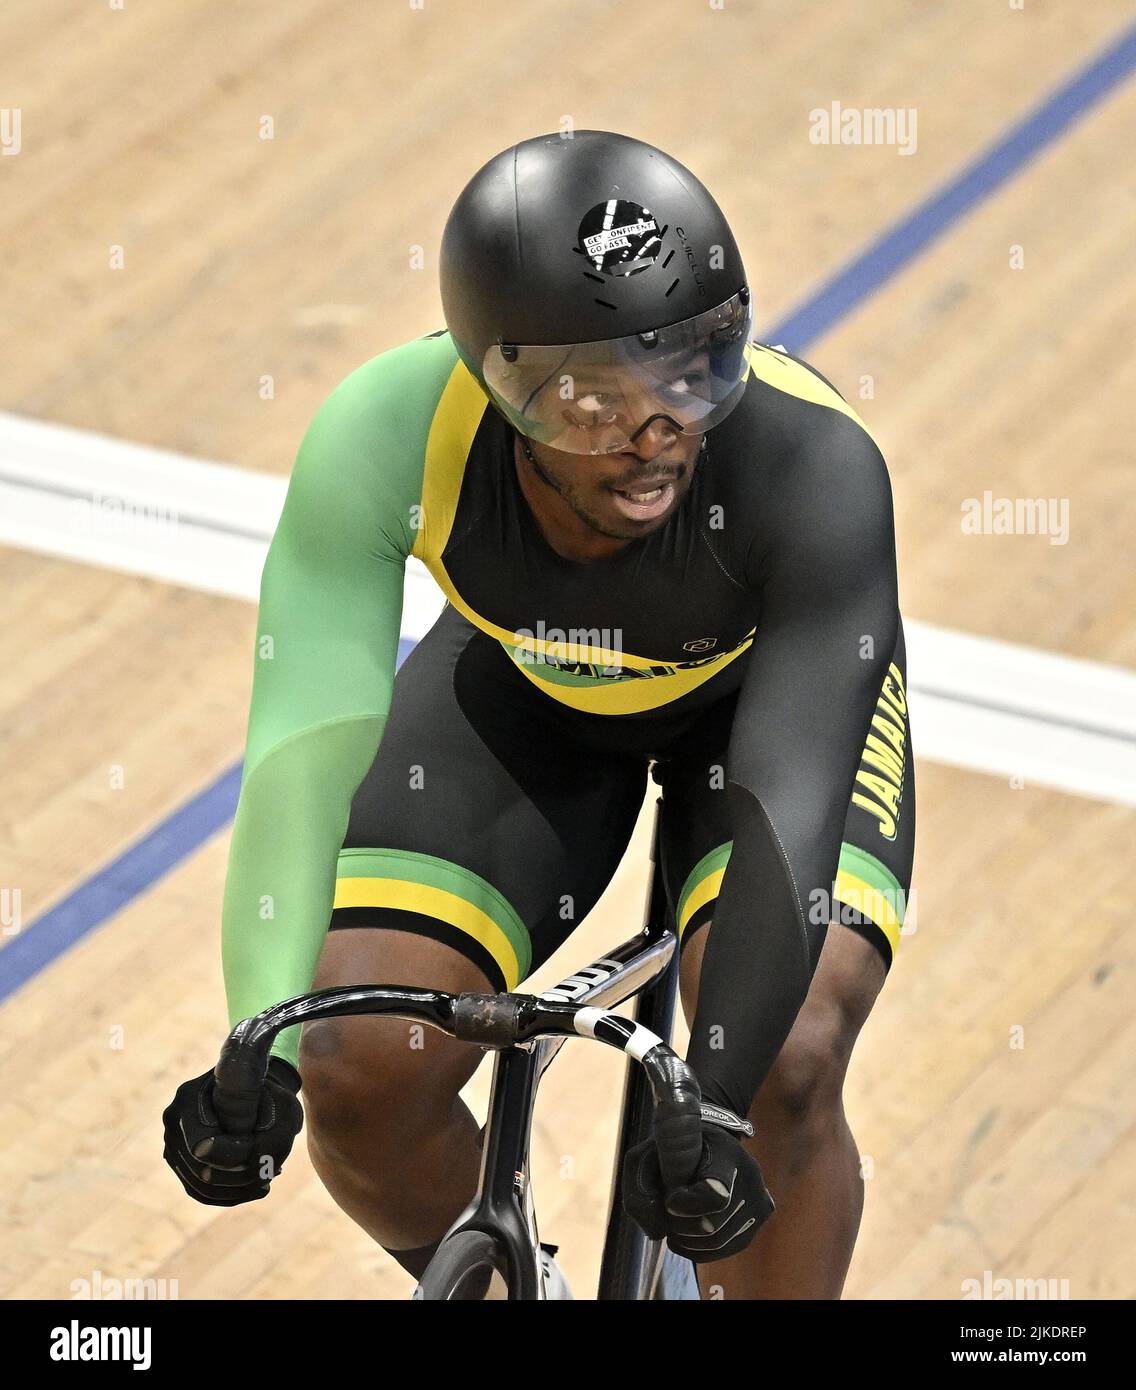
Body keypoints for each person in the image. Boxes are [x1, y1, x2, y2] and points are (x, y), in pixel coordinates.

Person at [163, 130, 915, 1300]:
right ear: (499, 388)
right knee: (353, 1068)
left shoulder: (809, 466)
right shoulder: (387, 432)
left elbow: (790, 794)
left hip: (764, 708)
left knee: (788, 1067)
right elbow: (301, 755)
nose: (657, 430)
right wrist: (254, 1030)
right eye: (596, 401)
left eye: (693, 370)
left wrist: (712, 1100)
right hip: (534, 681)